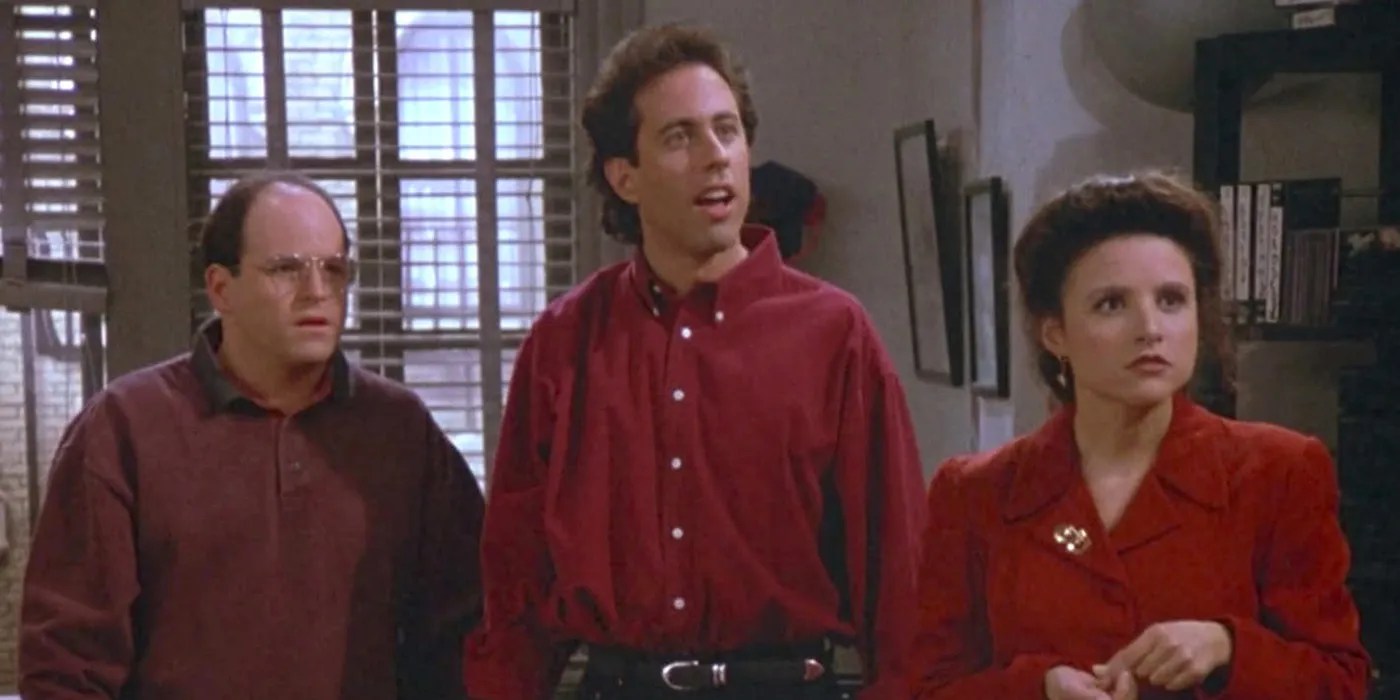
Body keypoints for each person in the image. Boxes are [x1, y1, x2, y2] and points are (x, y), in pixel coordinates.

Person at [463, 22, 926, 700]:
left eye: (727, 131)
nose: (715, 157)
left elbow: (900, 586)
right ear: (624, 176)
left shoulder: (835, 334)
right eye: (680, 137)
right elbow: (516, 587)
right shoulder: (565, 342)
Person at [19, 171, 486, 700]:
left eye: (333, 270)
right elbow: (65, 666)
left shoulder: (398, 428)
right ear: (221, 288)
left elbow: (463, 633)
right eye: (286, 269)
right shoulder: (125, 428)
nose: (317, 292)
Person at [908, 172, 1372, 700]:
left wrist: (1227, 647)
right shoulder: (976, 493)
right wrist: (1037, 688)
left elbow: (1341, 684)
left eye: (1172, 300)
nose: (1150, 328)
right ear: (1055, 333)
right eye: (1112, 304)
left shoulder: (1279, 472)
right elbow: (927, 690)